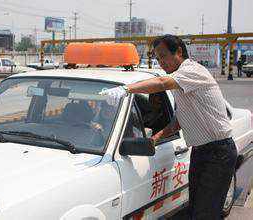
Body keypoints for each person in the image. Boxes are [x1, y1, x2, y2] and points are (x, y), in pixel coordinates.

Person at [100, 34, 237, 220]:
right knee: (196, 207)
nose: (161, 62)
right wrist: (155, 139)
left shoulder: (191, 71)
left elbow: (162, 83)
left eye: (163, 56)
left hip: (218, 151)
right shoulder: (180, 82)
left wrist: (126, 89)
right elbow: (178, 121)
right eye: (157, 58)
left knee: (206, 213)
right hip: (201, 151)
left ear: (179, 52)